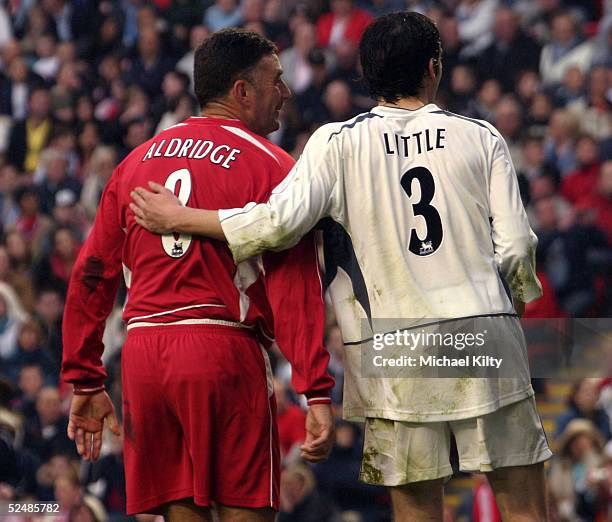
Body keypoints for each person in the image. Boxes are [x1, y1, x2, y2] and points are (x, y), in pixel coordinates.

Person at [130, 13, 553, 521]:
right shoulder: (481, 136)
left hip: (395, 347)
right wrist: (513, 310)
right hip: (485, 331)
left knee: (418, 508)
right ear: (434, 68)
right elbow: (515, 248)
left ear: (366, 74)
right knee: (526, 509)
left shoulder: (336, 143)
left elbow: (279, 224)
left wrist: (184, 217)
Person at [61, 29, 335, 522]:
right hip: (221, 349)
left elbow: (92, 272)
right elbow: (295, 289)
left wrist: (83, 377)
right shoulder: (275, 167)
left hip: (144, 356)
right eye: (277, 81)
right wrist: (315, 387)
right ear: (242, 92)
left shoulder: (134, 164)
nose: (287, 92)